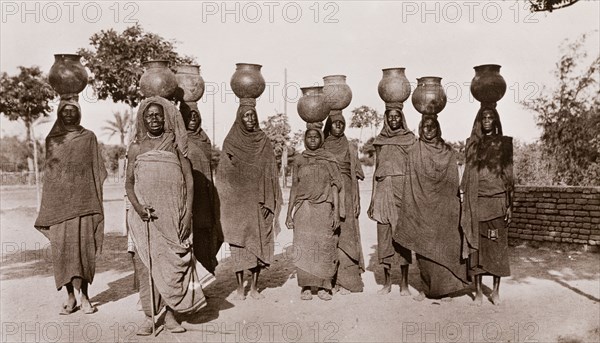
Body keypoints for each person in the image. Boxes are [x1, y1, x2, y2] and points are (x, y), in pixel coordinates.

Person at [126, 96, 206, 335]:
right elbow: (128, 185)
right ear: (143, 119)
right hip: (145, 220)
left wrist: (187, 213)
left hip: (174, 216)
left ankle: (171, 315)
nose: (154, 119)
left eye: (158, 115)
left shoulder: (175, 145)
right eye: (149, 115)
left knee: (173, 266)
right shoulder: (136, 148)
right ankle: (150, 317)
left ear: (166, 118)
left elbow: (189, 181)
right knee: (147, 266)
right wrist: (139, 208)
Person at [35, 97, 107, 315]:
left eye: (72, 110)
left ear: (79, 113)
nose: (68, 114)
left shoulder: (88, 138)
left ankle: (85, 296)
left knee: (83, 251)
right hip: (59, 207)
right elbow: (51, 175)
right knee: (63, 253)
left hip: (85, 203)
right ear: (59, 113)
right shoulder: (53, 139)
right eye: (64, 111)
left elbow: (98, 170)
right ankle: (70, 296)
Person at [394, 114, 469, 301]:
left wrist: (453, 207)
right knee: (424, 248)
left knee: (445, 247)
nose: (428, 130)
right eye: (425, 127)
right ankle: (425, 289)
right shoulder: (414, 151)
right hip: (421, 207)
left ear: (438, 128)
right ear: (420, 129)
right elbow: (410, 183)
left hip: (443, 209)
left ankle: (447, 291)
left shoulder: (448, 152)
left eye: (432, 126)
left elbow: (453, 183)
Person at [215, 98, 282, 300]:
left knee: (258, 244)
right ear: (239, 118)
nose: (250, 119)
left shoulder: (263, 141)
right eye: (246, 115)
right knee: (238, 246)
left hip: (258, 201)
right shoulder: (231, 141)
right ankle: (238, 288)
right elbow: (223, 175)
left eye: (253, 115)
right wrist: (228, 199)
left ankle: (254, 287)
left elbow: (271, 171)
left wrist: (268, 199)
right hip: (237, 203)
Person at [461, 105, 514, 306]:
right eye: (484, 117)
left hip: (498, 200)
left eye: (491, 117)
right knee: (477, 246)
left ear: (496, 120)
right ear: (479, 121)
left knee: (497, 247)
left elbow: (509, 175)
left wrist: (510, 204)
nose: (487, 120)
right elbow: (467, 173)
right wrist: (464, 196)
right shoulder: (473, 144)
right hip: (477, 201)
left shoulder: (504, 144)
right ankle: (478, 292)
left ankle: (496, 292)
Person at [286, 123, 342, 301]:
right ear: (305, 139)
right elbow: (295, 186)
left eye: (316, 136)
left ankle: (325, 286)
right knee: (303, 247)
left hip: (324, 208)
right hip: (303, 209)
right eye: (309, 136)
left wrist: (336, 212)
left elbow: (335, 186)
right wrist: (289, 214)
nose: (312, 139)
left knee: (324, 246)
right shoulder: (299, 160)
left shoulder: (329, 159)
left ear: (321, 138)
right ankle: (306, 287)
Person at [367, 103, 416, 295]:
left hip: (402, 191)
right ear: (386, 119)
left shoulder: (410, 139)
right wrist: (372, 199)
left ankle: (404, 284)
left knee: (403, 236)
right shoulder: (380, 141)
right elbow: (376, 170)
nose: (393, 120)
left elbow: (413, 169)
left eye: (397, 117)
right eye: (390, 117)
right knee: (384, 236)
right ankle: (387, 283)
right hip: (382, 191)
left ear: (402, 118)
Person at [323, 111, 365, 294]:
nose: (338, 126)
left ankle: (347, 280)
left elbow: (355, 176)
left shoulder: (350, 146)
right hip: (328, 194)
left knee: (347, 235)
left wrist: (356, 199)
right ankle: (331, 280)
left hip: (347, 194)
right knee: (330, 233)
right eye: (335, 123)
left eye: (341, 123)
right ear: (329, 126)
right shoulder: (322, 146)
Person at [180, 101, 223, 276]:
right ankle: (192, 286)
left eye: (196, 116)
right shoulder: (179, 140)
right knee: (189, 237)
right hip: (187, 196)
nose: (192, 119)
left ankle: (205, 276)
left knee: (206, 234)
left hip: (205, 196)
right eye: (189, 116)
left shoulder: (204, 140)